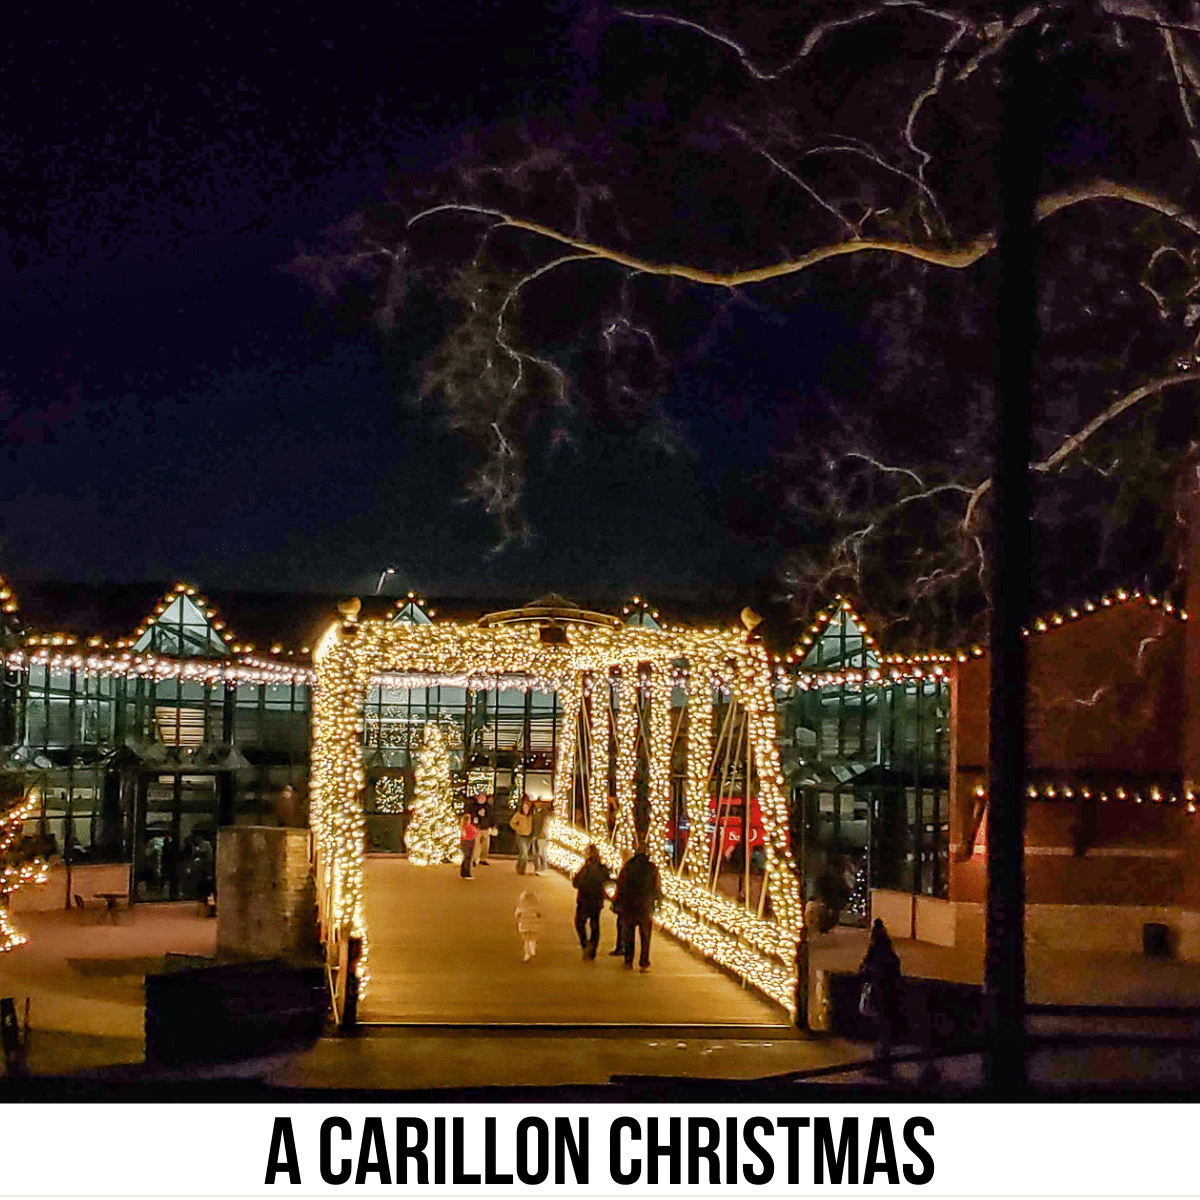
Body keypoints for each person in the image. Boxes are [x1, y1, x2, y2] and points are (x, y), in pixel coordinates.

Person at [858, 917, 902, 1076]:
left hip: (879, 996)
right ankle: (884, 1064)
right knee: (884, 1032)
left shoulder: (875, 955)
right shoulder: (891, 956)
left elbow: (866, 972)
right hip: (888, 997)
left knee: (881, 1031)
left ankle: (881, 1066)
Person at [613, 842, 662, 971]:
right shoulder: (652, 868)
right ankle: (644, 962)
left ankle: (628, 961)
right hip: (645, 906)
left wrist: (617, 901)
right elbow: (657, 886)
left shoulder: (628, 866)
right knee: (645, 936)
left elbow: (621, 883)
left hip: (629, 904)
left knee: (629, 934)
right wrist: (658, 901)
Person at [572, 844, 610, 959]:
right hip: (597, 900)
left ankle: (585, 944)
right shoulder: (602, 868)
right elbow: (607, 880)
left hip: (584, 899)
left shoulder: (586, 868)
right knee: (595, 923)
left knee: (579, 923)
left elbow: (576, 882)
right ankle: (593, 947)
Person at [514, 889, 543, 962]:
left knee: (526, 939)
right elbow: (540, 914)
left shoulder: (521, 907)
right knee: (532, 937)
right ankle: (532, 948)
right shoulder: (536, 907)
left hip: (524, 925)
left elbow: (516, 915)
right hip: (533, 925)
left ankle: (527, 953)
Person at [509, 794, 536, 874]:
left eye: (527, 807)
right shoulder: (518, 814)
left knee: (523, 854)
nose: (525, 809)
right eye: (524, 807)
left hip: (529, 836)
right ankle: (521, 869)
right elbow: (512, 823)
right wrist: (517, 828)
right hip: (520, 836)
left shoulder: (531, 816)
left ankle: (520, 867)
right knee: (524, 853)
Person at [469, 793, 494, 867]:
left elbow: (491, 816)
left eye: (483, 798)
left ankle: (483, 859)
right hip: (477, 828)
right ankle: (475, 859)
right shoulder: (474, 806)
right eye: (481, 798)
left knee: (485, 845)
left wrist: (491, 826)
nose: (482, 799)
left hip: (485, 828)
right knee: (477, 845)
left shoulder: (488, 807)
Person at [530, 798, 552, 875]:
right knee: (535, 853)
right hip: (535, 835)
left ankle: (542, 868)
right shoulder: (534, 812)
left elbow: (544, 825)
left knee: (541, 853)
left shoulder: (544, 814)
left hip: (541, 836)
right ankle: (538, 868)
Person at [459, 811, 478, 879]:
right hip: (469, 842)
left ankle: (463, 872)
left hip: (465, 842)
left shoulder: (463, 827)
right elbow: (476, 832)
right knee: (468, 858)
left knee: (465, 858)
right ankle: (467, 873)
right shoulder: (469, 827)